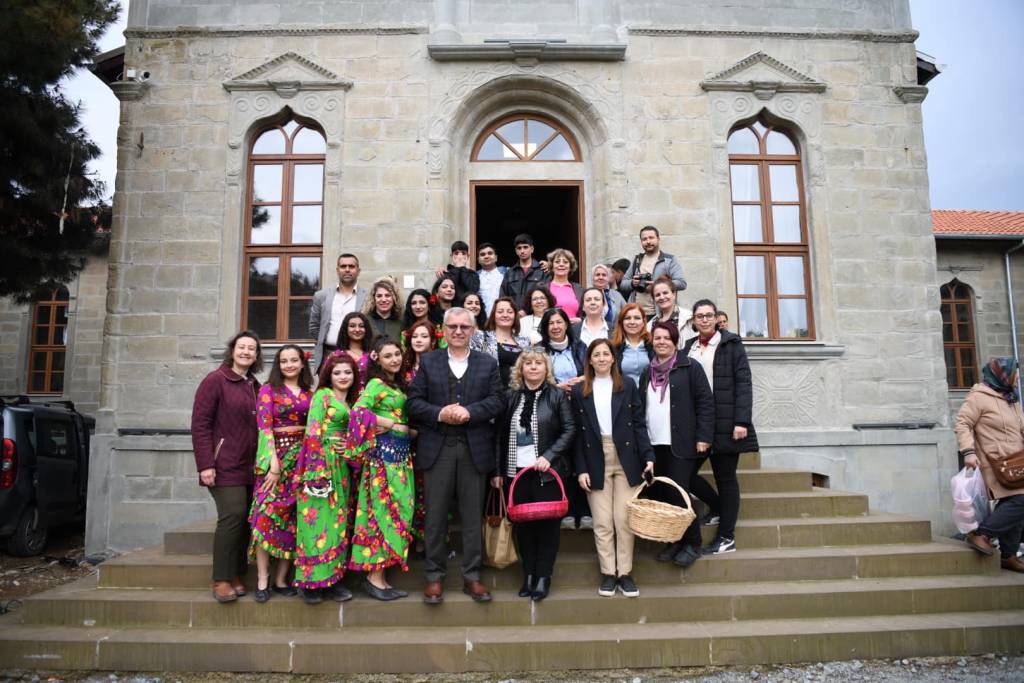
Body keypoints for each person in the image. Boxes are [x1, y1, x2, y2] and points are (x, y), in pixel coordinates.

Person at [406, 307, 505, 605]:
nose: (458, 331)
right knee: (435, 517)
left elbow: (498, 400)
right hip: (438, 448)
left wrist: (469, 412)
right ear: (444, 330)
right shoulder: (430, 361)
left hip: (474, 449)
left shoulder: (487, 363)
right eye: (453, 326)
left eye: (464, 327)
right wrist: (440, 413)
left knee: (473, 517)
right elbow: (413, 402)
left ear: (473, 331)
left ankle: (472, 576)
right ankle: (434, 577)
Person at [572, 339, 655, 598]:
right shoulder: (580, 390)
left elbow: (639, 424)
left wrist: (648, 456)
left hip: (626, 457)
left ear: (613, 358)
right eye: (596, 355)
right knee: (603, 522)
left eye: (605, 354)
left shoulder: (626, 385)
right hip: (595, 457)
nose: (601, 358)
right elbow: (576, 434)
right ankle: (609, 573)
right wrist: (581, 469)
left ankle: (625, 574)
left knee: (623, 520)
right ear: (589, 360)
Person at [492, 351, 576, 601]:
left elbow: (570, 429)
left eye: (538, 363)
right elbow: (498, 435)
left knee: (548, 528)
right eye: (528, 363)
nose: (533, 367)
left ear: (546, 368)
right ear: (521, 369)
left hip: (547, 472)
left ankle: (543, 577)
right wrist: (497, 471)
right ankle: (528, 575)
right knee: (523, 528)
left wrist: (549, 455)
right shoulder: (510, 397)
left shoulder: (556, 395)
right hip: (516, 472)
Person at [681, 299, 759, 555]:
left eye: (708, 315)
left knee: (725, 479)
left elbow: (744, 383)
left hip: (726, 423)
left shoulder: (731, 344)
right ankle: (717, 507)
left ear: (716, 319)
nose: (704, 319)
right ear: (694, 321)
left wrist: (741, 421)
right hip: (698, 425)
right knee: (685, 475)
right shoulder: (689, 347)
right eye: (699, 316)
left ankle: (726, 537)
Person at [191, 330, 262, 603]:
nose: (246, 352)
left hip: (250, 466)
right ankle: (221, 578)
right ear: (232, 351)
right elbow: (200, 425)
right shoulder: (215, 380)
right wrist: (205, 464)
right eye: (241, 347)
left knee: (245, 520)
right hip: (223, 464)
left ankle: (236, 574)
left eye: (251, 349)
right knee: (233, 514)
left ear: (256, 356)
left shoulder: (254, 385)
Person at [638, 322, 715, 569]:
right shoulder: (647, 372)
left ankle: (693, 543)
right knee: (663, 494)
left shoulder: (690, 367)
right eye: (657, 338)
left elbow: (705, 403)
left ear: (675, 341)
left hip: (681, 443)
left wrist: (704, 437)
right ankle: (676, 539)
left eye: (666, 338)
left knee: (678, 493)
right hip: (654, 443)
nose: (661, 342)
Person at [346, 338, 416, 600]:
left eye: (397, 354)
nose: (395, 359)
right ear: (377, 359)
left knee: (400, 511)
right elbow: (358, 413)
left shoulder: (397, 384)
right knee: (381, 513)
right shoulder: (375, 384)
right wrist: (391, 424)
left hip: (401, 458)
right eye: (388, 356)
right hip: (382, 461)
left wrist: (408, 430)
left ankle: (382, 579)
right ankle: (374, 578)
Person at [294, 351, 361, 604]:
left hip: (342, 469)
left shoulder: (351, 402)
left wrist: (350, 448)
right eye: (337, 372)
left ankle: (332, 580)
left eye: (347, 372)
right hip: (320, 467)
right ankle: (310, 582)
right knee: (316, 522)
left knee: (337, 523)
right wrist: (316, 471)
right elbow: (312, 433)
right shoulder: (323, 396)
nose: (343, 376)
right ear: (328, 376)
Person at [248, 344, 314, 603]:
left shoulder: (310, 393)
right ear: (278, 364)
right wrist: (273, 464)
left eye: (294, 360)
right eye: (284, 361)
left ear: (302, 363)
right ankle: (262, 579)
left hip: (301, 463)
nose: (289, 365)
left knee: (292, 520)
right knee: (265, 518)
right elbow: (264, 427)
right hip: (274, 461)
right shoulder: (268, 390)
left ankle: (281, 579)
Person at [956, 357, 1024, 573]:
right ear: (1002, 374)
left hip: (1017, 461)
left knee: (1013, 503)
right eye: (1014, 373)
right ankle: (982, 534)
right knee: (1020, 500)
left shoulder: (1010, 398)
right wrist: (968, 452)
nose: (1018, 377)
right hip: (996, 463)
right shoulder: (979, 396)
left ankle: (1008, 555)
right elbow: (962, 423)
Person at [401, 319, 439, 550]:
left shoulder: (440, 365)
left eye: (424, 336)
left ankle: (426, 541)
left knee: (429, 489)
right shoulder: (402, 367)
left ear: (433, 340)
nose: (419, 340)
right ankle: (407, 537)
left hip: (431, 430)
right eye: (415, 336)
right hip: (403, 431)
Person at [310, 253, 368, 372]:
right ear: (337, 270)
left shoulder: (367, 297)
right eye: (343, 266)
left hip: (357, 355)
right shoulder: (322, 296)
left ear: (358, 271)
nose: (347, 270)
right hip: (328, 354)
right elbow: (314, 327)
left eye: (351, 266)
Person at [620, 226, 686, 316]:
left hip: (661, 313)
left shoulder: (669, 260)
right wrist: (633, 283)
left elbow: (682, 283)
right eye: (644, 239)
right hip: (638, 314)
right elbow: (623, 284)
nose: (648, 241)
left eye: (651, 238)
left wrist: (657, 285)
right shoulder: (637, 260)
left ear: (658, 239)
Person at [470, 296, 532, 387]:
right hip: (490, 390)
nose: (505, 315)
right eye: (500, 312)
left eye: (510, 312)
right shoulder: (483, 338)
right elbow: (474, 366)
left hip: (518, 391)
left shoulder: (525, 342)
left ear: (515, 316)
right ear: (493, 315)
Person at [539, 307, 586, 395]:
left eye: (559, 322)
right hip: (551, 397)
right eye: (551, 323)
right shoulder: (538, 350)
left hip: (579, 395)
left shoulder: (579, 345)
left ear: (566, 325)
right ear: (545, 327)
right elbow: (533, 380)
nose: (555, 327)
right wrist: (557, 388)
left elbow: (592, 372)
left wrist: (579, 380)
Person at [500, 233, 550, 314]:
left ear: (532, 249)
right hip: (514, 317)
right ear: (516, 251)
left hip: (536, 316)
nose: (522, 251)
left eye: (525, 247)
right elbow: (503, 297)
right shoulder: (510, 273)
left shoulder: (542, 271)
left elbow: (547, 297)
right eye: (519, 248)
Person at [612, 303, 654, 387]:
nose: (632, 322)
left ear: (643, 322)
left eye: (637, 318)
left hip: (649, 392)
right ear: (621, 322)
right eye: (627, 318)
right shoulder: (614, 348)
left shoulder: (652, 344)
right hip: (624, 392)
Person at [544, 248, 584, 323]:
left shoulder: (579, 289)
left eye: (565, 262)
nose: (561, 264)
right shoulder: (543, 288)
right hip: (551, 328)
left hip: (575, 329)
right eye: (557, 262)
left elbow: (587, 313)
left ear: (570, 267)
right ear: (552, 266)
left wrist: (581, 320)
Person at [336, 311, 374, 391]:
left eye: (361, 326)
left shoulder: (374, 353)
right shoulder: (336, 355)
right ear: (345, 329)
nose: (357, 329)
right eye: (352, 326)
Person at [363, 277, 404, 342]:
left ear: (394, 298)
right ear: (373, 298)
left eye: (387, 295)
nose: (383, 300)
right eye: (379, 296)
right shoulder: (365, 320)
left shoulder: (402, 321)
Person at [476, 242, 507, 316]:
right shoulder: (474, 277)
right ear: (478, 260)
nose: (486, 256)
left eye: (490, 253)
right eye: (482, 254)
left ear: (496, 257)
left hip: (503, 316)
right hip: (482, 318)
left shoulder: (507, 272)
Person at [591, 263, 626, 327]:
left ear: (608, 278)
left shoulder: (617, 295)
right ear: (592, 278)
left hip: (614, 331)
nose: (601, 277)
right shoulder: (587, 295)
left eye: (604, 275)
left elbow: (627, 312)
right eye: (597, 275)